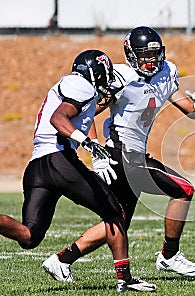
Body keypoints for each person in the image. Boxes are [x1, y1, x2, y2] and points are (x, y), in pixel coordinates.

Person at [42, 26, 195, 281]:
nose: (151, 60)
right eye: (145, 55)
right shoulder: (120, 77)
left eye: (155, 54)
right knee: (183, 190)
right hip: (121, 155)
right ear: (132, 55)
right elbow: (87, 113)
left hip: (135, 154)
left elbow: (189, 109)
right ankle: (169, 255)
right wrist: (95, 149)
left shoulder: (167, 72)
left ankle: (61, 259)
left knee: (118, 221)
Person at [0, 49, 156, 292]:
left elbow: (80, 116)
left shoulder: (75, 87)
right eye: (104, 75)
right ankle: (125, 279)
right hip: (59, 161)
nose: (107, 80)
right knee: (115, 211)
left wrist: (93, 151)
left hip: (37, 166)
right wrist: (87, 142)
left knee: (29, 236)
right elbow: (58, 118)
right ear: (94, 73)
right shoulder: (80, 85)